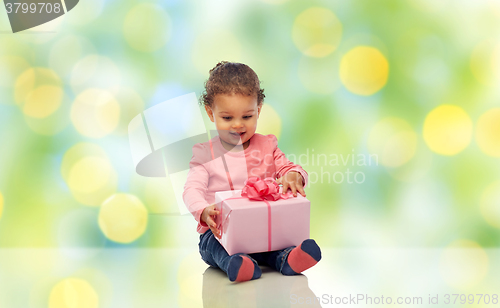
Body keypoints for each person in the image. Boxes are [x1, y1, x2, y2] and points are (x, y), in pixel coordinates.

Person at [183, 61, 321, 282]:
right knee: (216, 247)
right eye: (227, 118)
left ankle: (288, 259)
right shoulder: (204, 154)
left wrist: (294, 175)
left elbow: (289, 167)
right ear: (211, 113)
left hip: (262, 231)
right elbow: (191, 189)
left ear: (258, 109)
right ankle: (237, 264)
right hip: (220, 232)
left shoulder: (267, 146)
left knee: (276, 244)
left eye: (247, 116)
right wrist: (203, 211)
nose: (238, 125)